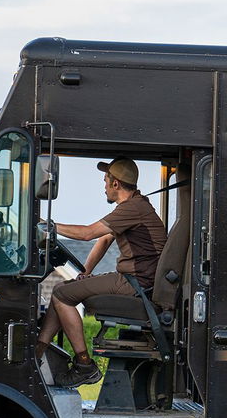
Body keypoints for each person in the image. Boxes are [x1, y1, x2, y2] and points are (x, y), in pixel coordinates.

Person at [35, 157, 167, 387]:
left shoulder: (132, 208)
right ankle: (37, 354)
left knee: (60, 294)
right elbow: (104, 239)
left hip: (135, 283)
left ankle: (85, 365)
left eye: (105, 180)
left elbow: (88, 234)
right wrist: (85, 272)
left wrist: (48, 226)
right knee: (62, 290)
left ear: (115, 184)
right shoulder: (133, 207)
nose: (103, 185)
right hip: (134, 279)